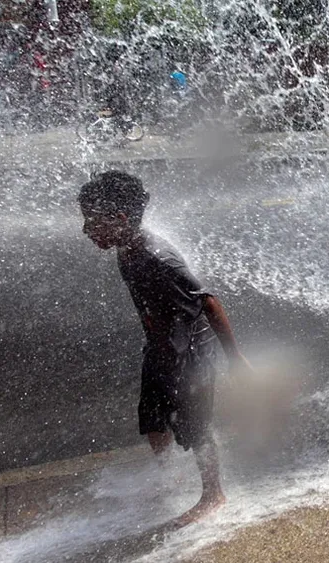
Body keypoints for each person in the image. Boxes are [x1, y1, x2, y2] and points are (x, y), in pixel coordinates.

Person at [78, 170, 250, 526]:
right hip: (161, 348)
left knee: (196, 427)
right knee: (154, 419)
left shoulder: (157, 258)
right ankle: (170, 476)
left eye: (91, 221)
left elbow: (209, 302)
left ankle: (213, 495)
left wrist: (235, 359)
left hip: (191, 352)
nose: (85, 230)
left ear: (120, 219)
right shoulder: (127, 249)